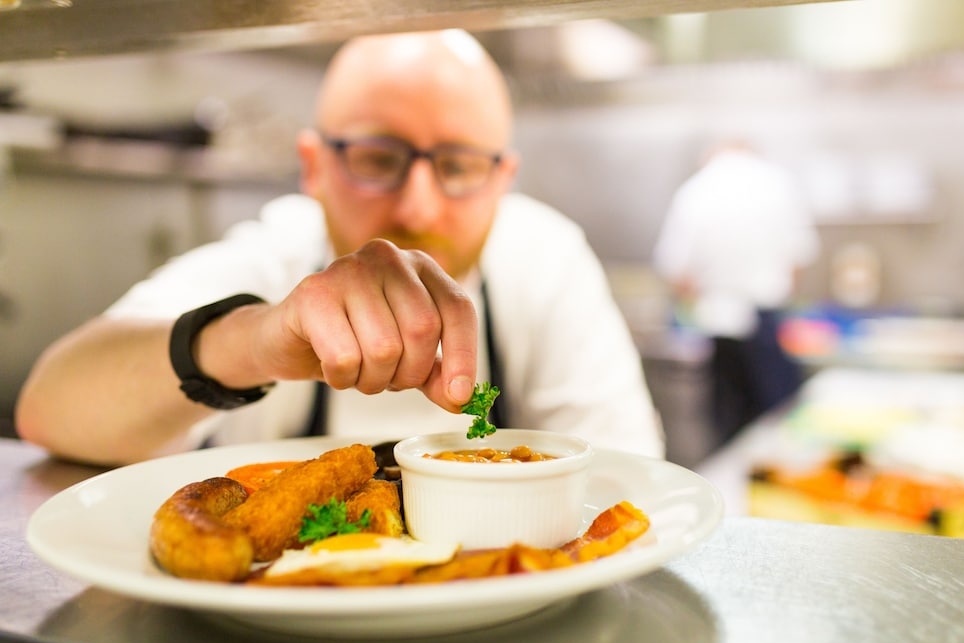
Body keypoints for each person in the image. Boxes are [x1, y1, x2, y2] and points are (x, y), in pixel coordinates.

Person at [15, 29, 664, 467]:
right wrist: (251, 340)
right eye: (377, 158)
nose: (417, 207)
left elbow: (627, 486)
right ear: (313, 166)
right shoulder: (276, 258)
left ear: (503, 179)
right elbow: (50, 407)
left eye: (459, 166)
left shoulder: (544, 262)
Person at [652, 139, 819, 450]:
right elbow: (799, 258)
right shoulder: (779, 183)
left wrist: (696, 305)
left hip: (719, 324)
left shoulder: (696, 190)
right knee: (779, 425)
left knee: (731, 433)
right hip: (768, 318)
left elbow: (675, 269)